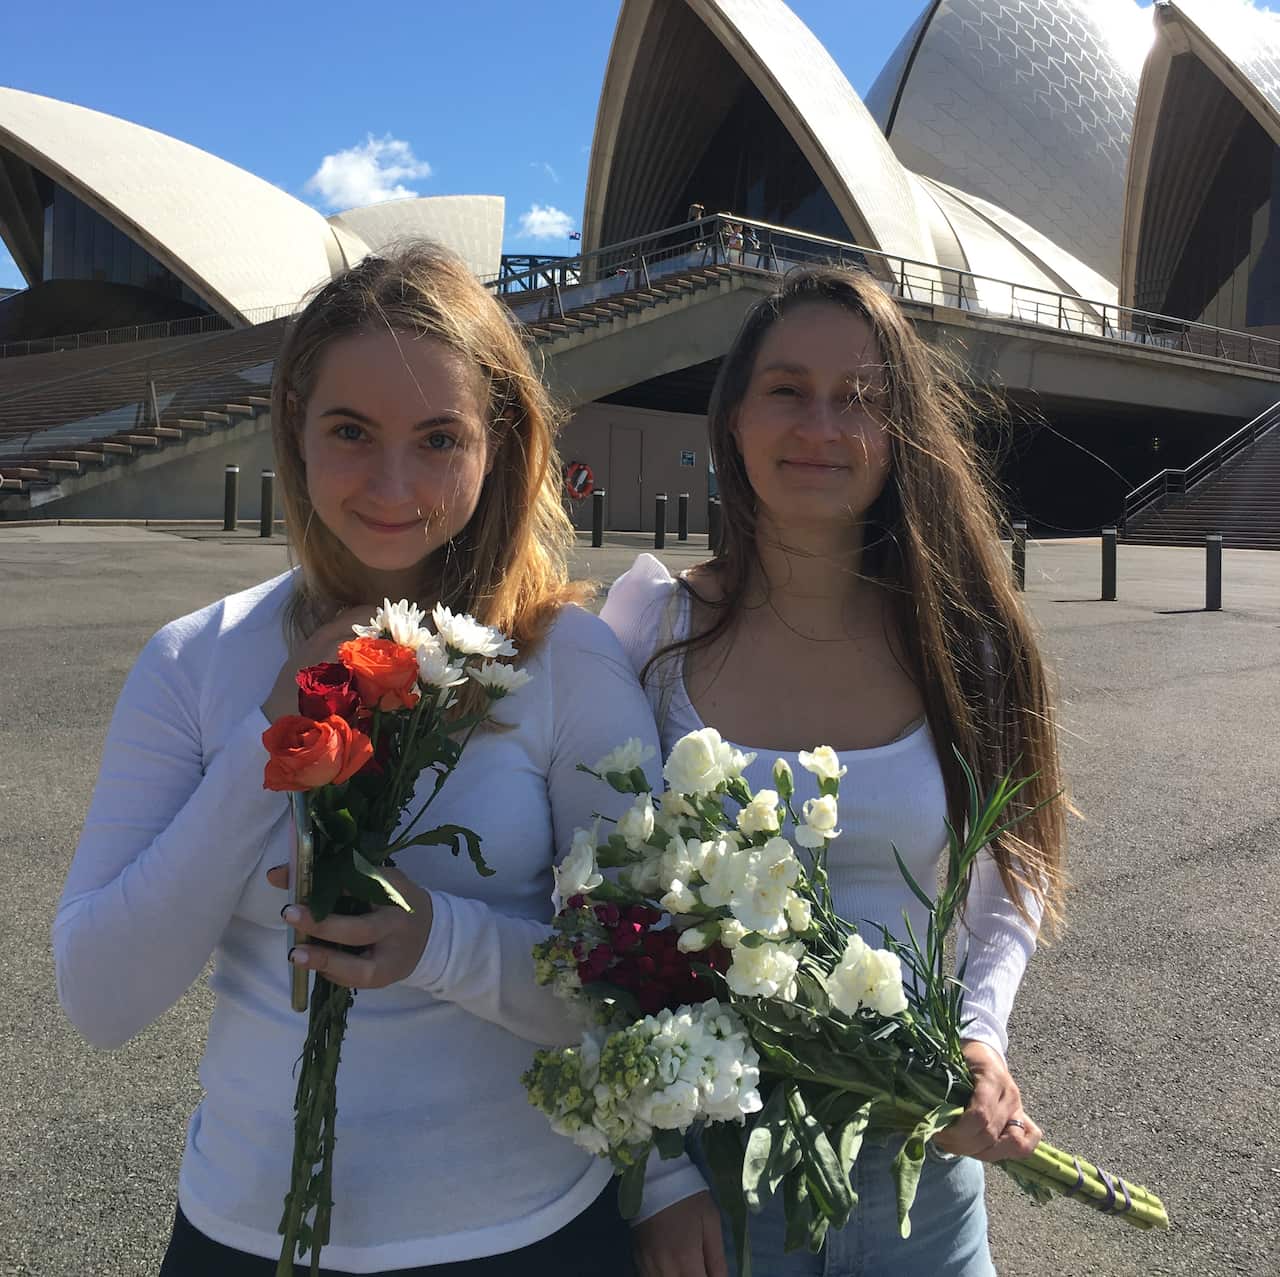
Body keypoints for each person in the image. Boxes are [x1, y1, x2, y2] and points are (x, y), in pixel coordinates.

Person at [52, 244, 714, 1276]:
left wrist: (437, 942)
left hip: (524, 1233)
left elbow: (631, 982)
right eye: (351, 431)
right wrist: (269, 741)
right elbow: (100, 995)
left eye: (438, 437)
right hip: (243, 1230)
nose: (392, 484)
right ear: (295, 435)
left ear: (499, 446)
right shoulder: (194, 658)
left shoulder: (561, 658)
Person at [601, 265, 1068, 1276]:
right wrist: (664, 1177)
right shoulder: (649, 625)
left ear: (900, 432)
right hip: (717, 1176)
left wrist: (980, 1038)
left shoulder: (963, 643)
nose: (821, 422)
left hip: (922, 1163)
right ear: (732, 419)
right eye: (786, 389)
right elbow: (594, 896)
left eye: (860, 396)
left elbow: (1009, 874)